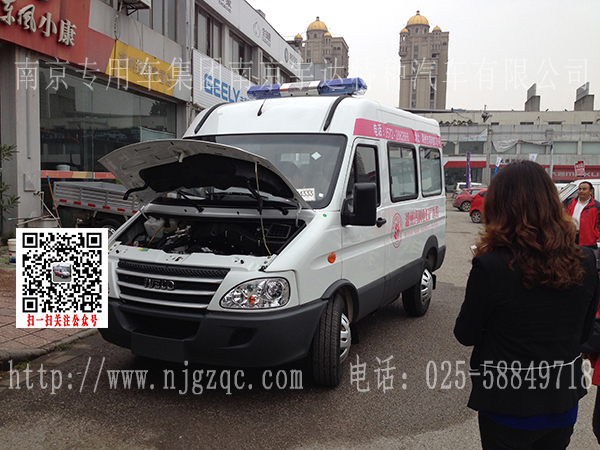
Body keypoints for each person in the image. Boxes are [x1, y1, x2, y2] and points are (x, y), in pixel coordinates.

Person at [454, 161, 600, 450]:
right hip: (561, 400)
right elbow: (584, 334)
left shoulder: (490, 266)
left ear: (498, 206)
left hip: (506, 402)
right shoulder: (585, 260)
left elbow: (465, 334)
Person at [566, 181, 600, 249]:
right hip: (571, 238)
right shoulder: (571, 203)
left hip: (588, 241)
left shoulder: (596, 206)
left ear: (590, 191)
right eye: (579, 189)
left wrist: (595, 235)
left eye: (584, 189)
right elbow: (565, 218)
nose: (581, 191)